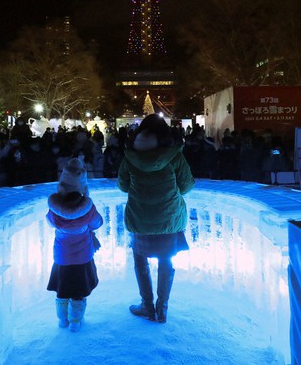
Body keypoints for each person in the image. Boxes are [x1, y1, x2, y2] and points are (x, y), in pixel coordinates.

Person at [117, 114, 195, 323]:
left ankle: (147, 305)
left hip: (140, 218)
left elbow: (123, 186)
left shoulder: (130, 156)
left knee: (140, 262)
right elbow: (186, 185)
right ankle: (162, 308)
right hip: (168, 217)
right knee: (166, 261)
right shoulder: (174, 155)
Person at [46, 157, 103, 332]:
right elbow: (97, 223)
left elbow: (50, 222)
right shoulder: (88, 210)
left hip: (62, 258)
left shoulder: (55, 212)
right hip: (83, 258)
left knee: (62, 291)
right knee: (79, 293)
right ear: (84, 188)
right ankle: (76, 322)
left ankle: (62, 320)